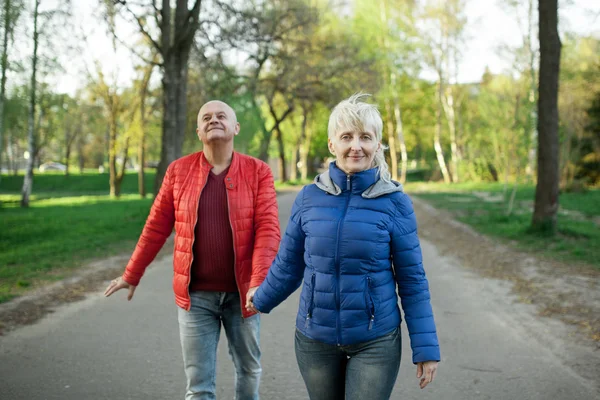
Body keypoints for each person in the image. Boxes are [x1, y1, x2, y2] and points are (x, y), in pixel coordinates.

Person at [247, 94, 440, 400]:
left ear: (377, 145)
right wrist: (261, 298)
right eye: (347, 137)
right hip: (315, 338)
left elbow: (412, 280)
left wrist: (426, 348)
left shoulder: (394, 203)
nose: (356, 146)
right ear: (331, 144)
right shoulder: (308, 198)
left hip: (375, 340)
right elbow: (289, 264)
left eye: (365, 137)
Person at [104, 100, 281, 400]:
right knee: (198, 386)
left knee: (249, 370)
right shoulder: (178, 171)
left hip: (244, 297)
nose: (214, 120)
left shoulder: (258, 171)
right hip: (195, 298)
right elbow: (155, 228)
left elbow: (268, 229)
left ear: (236, 127)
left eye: (222, 116)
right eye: (206, 117)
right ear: (199, 131)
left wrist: (258, 283)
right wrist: (131, 273)